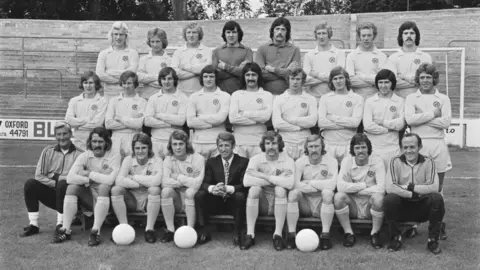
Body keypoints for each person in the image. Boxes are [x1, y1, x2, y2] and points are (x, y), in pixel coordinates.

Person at [405, 63, 451, 240]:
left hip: (438, 144)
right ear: (418, 79)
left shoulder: (443, 98)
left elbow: (446, 123)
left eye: (428, 77)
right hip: (418, 145)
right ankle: (413, 223)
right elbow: (409, 120)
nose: (425, 80)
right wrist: (433, 114)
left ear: (434, 79)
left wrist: (421, 117)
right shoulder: (411, 98)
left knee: (437, 188)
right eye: (422, 77)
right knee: (416, 185)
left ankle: (438, 225)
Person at [53, 127, 121, 246]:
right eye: (94, 142)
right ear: (90, 142)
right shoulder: (85, 156)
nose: (97, 145)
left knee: (104, 186)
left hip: (108, 198)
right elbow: (70, 178)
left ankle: (96, 232)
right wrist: (91, 179)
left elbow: (110, 180)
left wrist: (88, 173)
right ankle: (66, 230)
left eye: (100, 142)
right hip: (89, 195)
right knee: (72, 187)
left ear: (107, 143)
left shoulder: (114, 156)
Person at [384, 133, 444, 254]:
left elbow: (434, 187)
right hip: (402, 208)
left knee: (437, 198)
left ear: (420, 147)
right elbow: (390, 187)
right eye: (405, 147)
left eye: (412, 147)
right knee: (389, 199)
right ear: (401, 148)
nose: (408, 151)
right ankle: (395, 237)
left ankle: (433, 240)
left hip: (422, 208)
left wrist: (411, 187)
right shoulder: (395, 161)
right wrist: (412, 194)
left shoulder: (429, 162)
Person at [21, 121, 82, 237]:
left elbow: (78, 179)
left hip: (71, 197)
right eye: (58, 134)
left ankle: (60, 224)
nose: (62, 137)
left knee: (63, 185)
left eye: (64, 134)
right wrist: (57, 181)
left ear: (71, 134)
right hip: (53, 194)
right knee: (30, 184)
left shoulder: (80, 154)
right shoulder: (47, 151)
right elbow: (39, 176)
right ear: (55, 136)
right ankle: (33, 225)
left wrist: (55, 176)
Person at [194, 132, 249, 247]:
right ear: (217, 147)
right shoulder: (211, 162)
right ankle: (204, 231)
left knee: (240, 196)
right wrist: (212, 188)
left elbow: (245, 184)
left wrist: (227, 188)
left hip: (233, 201)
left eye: (227, 146)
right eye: (221, 146)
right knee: (199, 195)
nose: (223, 149)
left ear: (233, 146)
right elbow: (204, 182)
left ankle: (239, 233)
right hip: (216, 201)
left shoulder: (243, 162)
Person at [242, 131, 295, 251]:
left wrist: (262, 175)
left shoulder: (288, 160)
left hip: (280, 200)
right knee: (253, 189)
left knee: (280, 189)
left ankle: (278, 235)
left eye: (274, 143)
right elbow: (246, 181)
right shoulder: (256, 159)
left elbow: (290, 184)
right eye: (267, 143)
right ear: (263, 145)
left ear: (280, 145)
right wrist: (278, 180)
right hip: (262, 201)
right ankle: (250, 234)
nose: (270, 147)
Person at [285, 135, 338, 250]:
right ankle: (291, 235)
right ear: (306, 148)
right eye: (311, 146)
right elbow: (294, 184)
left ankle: (325, 236)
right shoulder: (300, 162)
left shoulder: (332, 161)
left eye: (317, 146)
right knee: (293, 194)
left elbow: (332, 185)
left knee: (328, 193)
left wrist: (310, 182)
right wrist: (320, 184)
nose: (314, 150)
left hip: (322, 202)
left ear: (322, 146)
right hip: (305, 203)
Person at [334, 133, 386, 249]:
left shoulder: (377, 161)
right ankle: (349, 233)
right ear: (353, 149)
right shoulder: (347, 161)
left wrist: (354, 188)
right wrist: (364, 185)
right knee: (338, 197)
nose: (360, 151)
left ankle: (375, 234)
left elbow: (381, 188)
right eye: (357, 148)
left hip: (369, 204)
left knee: (378, 198)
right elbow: (340, 187)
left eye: (363, 147)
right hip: (352, 205)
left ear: (369, 148)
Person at [111, 133, 162, 243]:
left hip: (149, 197)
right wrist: (141, 183)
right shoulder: (128, 160)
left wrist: (133, 177)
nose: (140, 151)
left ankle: (149, 229)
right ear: (133, 149)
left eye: (143, 148)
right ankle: (123, 228)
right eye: (137, 148)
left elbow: (157, 181)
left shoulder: (157, 160)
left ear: (149, 148)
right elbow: (119, 180)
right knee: (116, 189)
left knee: (155, 189)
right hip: (132, 198)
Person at [160, 130, 205, 243]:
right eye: (174, 144)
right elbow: (164, 181)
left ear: (187, 145)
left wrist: (177, 176)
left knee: (190, 191)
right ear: (170, 146)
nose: (178, 147)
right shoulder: (168, 159)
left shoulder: (198, 158)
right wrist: (183, 182)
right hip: (177, 197)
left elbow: (197, 184)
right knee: (166, 191)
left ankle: (190, 230)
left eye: (181, 144)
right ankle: (170, 230)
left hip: (193, 196)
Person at [318, 67, 364, 165]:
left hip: (348, 144)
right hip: (329, 144)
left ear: (346, 79)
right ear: (331, 81)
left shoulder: (357, 98)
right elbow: (321, 122)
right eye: (335, 79)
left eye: (341, 78)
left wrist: (332, 117)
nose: (338, 81)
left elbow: (355, 123)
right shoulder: (325, 98)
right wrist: (345, 124)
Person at [229, 62, 273, 159]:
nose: (250, 78)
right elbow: (233, 118)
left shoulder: (267, 95)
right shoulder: (236, 95)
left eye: (254, 75)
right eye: (247, 75)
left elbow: (265, 117)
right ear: (243, 77)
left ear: (259, 77)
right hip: (239, 142)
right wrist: (258, 120)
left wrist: (243, 113)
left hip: (259, 141)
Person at [187, 65, 230, 161]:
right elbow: (190, 122)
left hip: (218, 142)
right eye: (205, 76)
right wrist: (213, 123)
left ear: (216, 78)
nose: (208, 79)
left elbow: (220, 119)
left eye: (211, 76)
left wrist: (199, 117)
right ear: (202, 78)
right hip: (198, 142)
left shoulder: (225, 96)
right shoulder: (194, 97)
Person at [272, 68, 317, 161]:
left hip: (304, 141)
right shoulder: (279, 99)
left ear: (303, 81)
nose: (295, 82)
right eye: (292, 79)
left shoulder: (311, 99)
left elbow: (312, 121)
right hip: (285, 142)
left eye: (298, 79)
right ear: (288, 80)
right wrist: (299, 127)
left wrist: (291, 120)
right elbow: (277, 123)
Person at [363, 69, 405, 168]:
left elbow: (400, 124)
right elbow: (368, 126)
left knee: (392, 181)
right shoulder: (370, 101)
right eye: (380, 82)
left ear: (392, 83)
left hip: (393, 149)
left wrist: (382, 122)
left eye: (387, 82)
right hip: (374, 149)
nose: (383, 85)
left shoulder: (400, 101)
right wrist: (389, 128)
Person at [144, 67, 189, 160]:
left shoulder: (183, 98)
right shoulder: (153, 98)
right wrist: (170, 123)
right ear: (160, 80)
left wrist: (159, 115)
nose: (166, 82)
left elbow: (180, 121)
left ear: (174, 80)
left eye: (169, 78)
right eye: (163, 79)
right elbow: (147, 121)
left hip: (175, 142)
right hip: (156, 141)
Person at [254, 17, 301, 96]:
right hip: (265, 95)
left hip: (288, 95)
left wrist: (273, 70)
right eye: (277, 29)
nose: (280, 32)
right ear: (272, 31)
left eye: (283, 29)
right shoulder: (262, 49)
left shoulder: (295, 50)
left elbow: (294, 75)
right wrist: (285, 72)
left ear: (287, 32)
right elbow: (259, 74)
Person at [105, 71, 147, 158]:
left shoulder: (142, 101)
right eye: (124, 83)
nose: (126, 86)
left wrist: (120, 118)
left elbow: (139, 124)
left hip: (134, 138)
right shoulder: (114, 101)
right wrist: (132, 121)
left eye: (129, 83)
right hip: (116, 138)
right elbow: (108, 124)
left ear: (135, 84)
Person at [386, 21, 432, 98]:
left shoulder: (425, 57)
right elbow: (391, 82)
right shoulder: (393, 58)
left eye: (412, 33)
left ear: (416, 36)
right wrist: (416, 82)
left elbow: (427, 81)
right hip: (399, 101)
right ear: (401, 36)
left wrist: (403, 76)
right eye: (406, 33)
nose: (409, 36)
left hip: (420, 100)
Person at [95, 21, 139, 101]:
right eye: (116, 34)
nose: (118, 37)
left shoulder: (133, 53)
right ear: (111, 35)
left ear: (126, 36)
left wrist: (109, 72)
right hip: (109, 96)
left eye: (121, 34)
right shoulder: (103, 53)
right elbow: (100, 75)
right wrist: (122, 80)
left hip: (128, 96)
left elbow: (132, 74)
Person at [303, 22, 346, 101]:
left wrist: (316, 74)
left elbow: (338, 77)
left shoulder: (339, 54)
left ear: (329, 35)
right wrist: (327, 78)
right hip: (314, 98)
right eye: (319, 34)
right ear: (316, 36)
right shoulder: (309, 55)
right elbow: (306, 79)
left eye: (324, 33)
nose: (321, 37)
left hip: (334, 97)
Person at [65, 71, 107, 151]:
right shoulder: (74, 101)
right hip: (78, 142)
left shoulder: (102, 101)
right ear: (82, 84)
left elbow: (98, 123)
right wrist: (86, 120)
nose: (88, 86)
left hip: (96, 142)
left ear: (96, 84)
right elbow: (68, 120)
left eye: (91, 83)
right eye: (85, 82)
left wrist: (77, 125)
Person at [346, 22, 387, 100]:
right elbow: (350, 80)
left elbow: (383, 80)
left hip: (377, 99)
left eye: (369, 35)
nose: (366, 38)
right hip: (356, 99)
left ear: (374, 36)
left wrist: (359, 76)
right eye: (363, 35)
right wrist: (373, 83)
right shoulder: (351, 56)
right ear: (359, 37)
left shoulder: (382, 56)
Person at [171, 22, 213, 97]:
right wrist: (197, 72)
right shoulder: (178, 52)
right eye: (188, 32)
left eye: (194, 32)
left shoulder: (208, 51)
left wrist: (184, 67)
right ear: (185, 35)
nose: (191, 35)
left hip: (202, 94)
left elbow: (207, 70)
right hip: (182, 94)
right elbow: (175, 74)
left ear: (199, 34)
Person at [212, 20, 253, 94]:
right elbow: (215, 75)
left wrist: (225, 67)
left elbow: (246, 73)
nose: (231, 35)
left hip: (243, 93)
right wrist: (237, 70)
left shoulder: (247, 51)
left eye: (234, 32)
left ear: (239, 34)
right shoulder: (216, 51)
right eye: (228, 32)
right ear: (224, 34)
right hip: (221, 94)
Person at [137, 28, 172, 100]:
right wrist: (160, 78)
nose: (155, 45)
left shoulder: (170, 60)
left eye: (157, 41)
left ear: (163, 42)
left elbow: (171, 81)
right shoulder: (143, 60)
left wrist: (148, 80)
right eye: (152, 41)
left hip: (165, 98)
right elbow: (140, 78)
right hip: (147, 98)